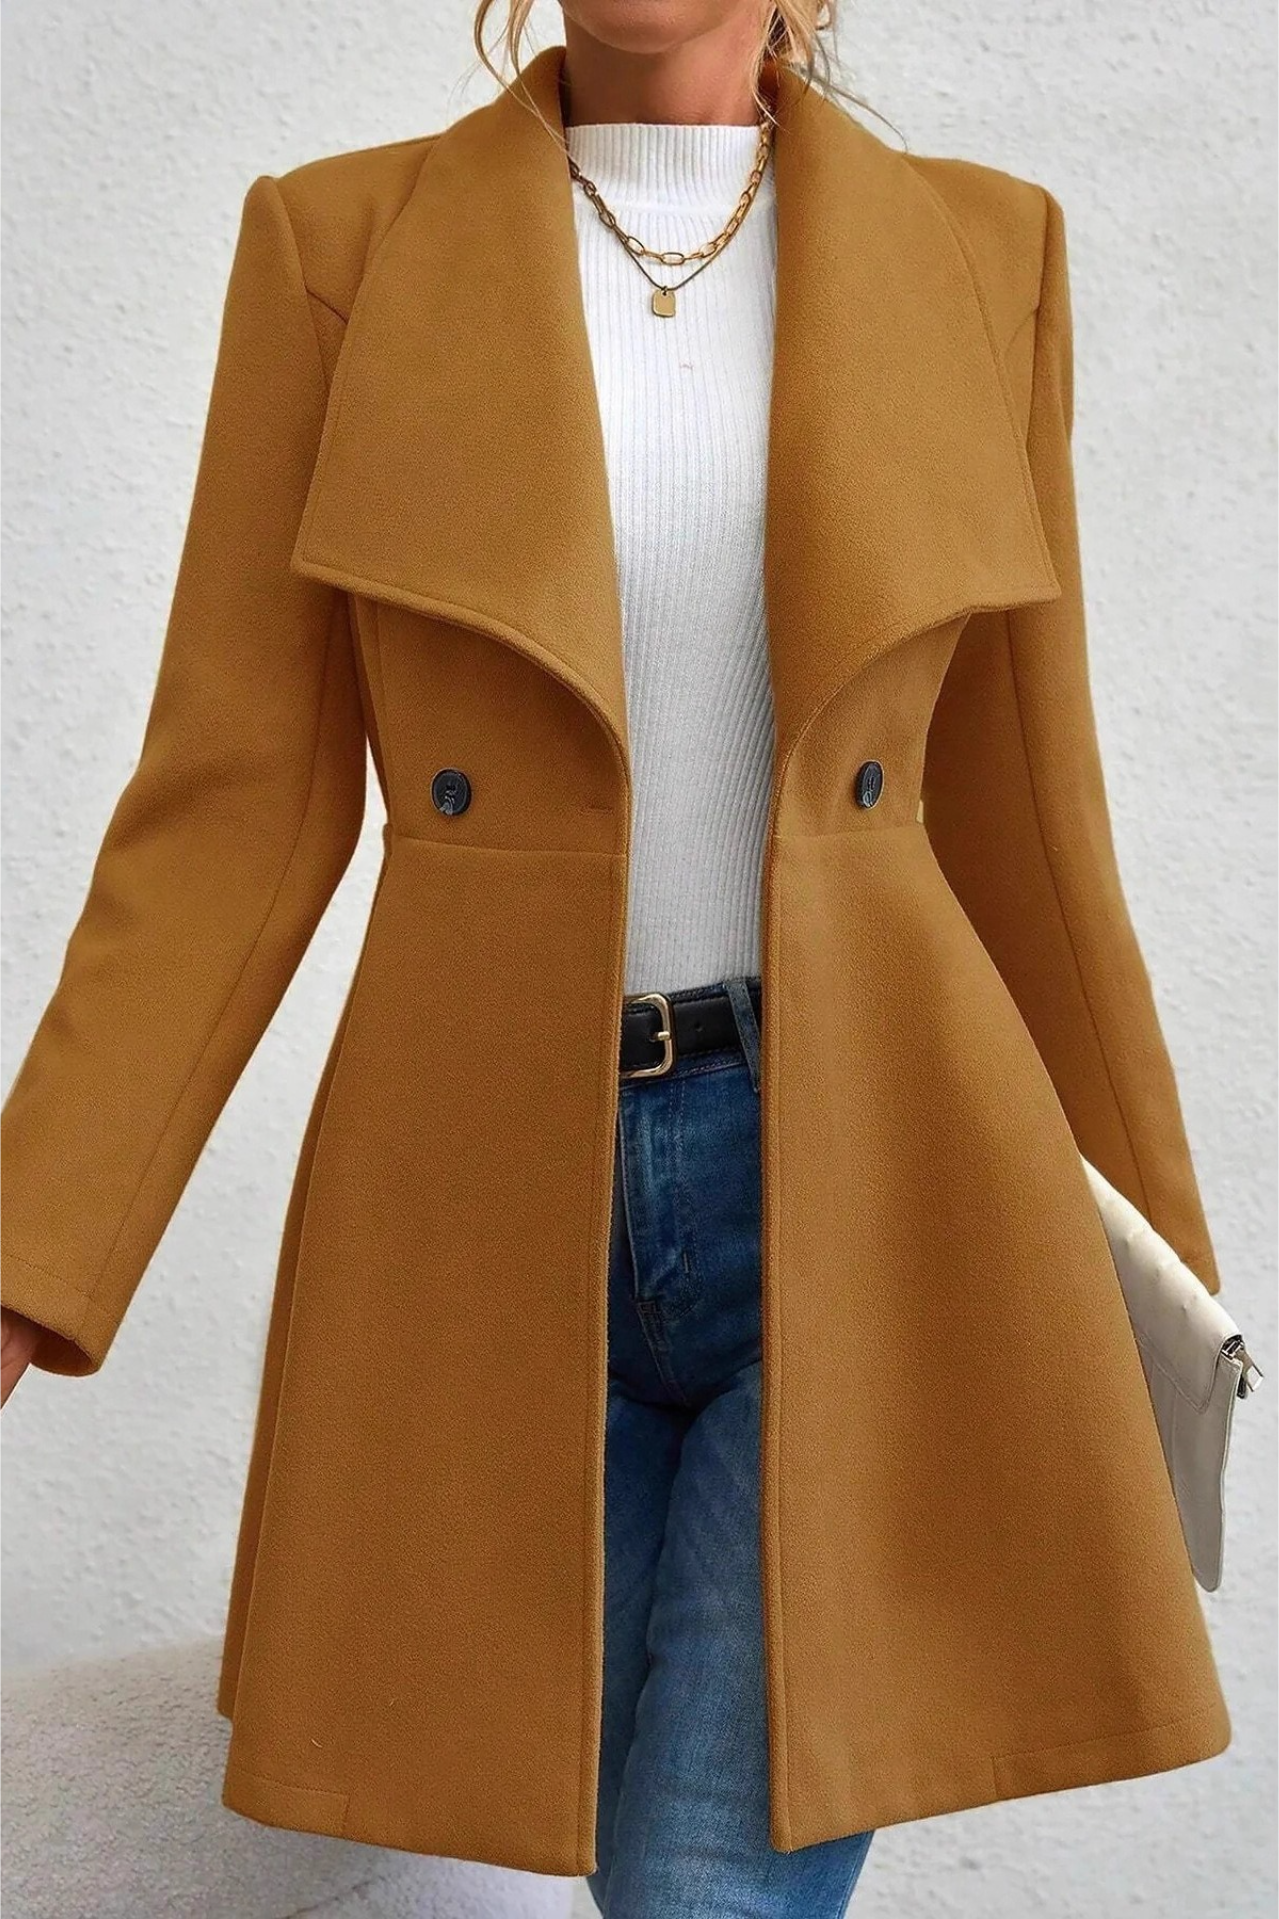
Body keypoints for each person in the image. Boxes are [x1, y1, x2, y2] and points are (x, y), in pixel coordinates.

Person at [0, 4, 1230, 1916]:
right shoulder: (339, 251)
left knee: (700, 1882)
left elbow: (1027, 822)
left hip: (863, 1182)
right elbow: (232, 806)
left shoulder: (985, 255)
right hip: (486, 1198)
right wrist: (30, 1252)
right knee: (612, 1851)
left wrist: (1151, 1293)